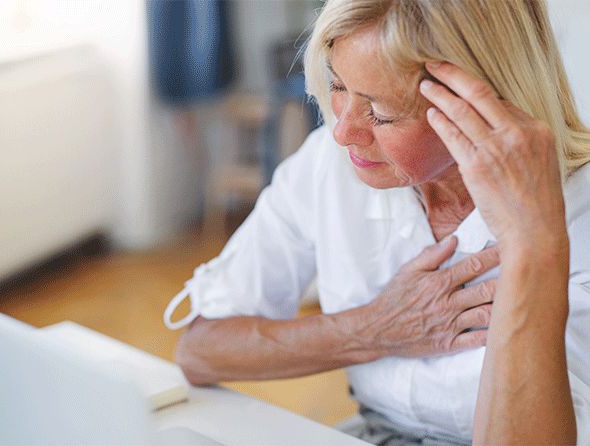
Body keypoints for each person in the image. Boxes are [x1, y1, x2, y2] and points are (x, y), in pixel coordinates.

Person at [163, 0, 590, 443]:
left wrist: (532, 247)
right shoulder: (330, 166)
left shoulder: (579, 211)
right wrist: (376, 329)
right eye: (337, 86)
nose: (342, 131)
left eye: (381, 114)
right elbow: (200, 350)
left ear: (485, 105)